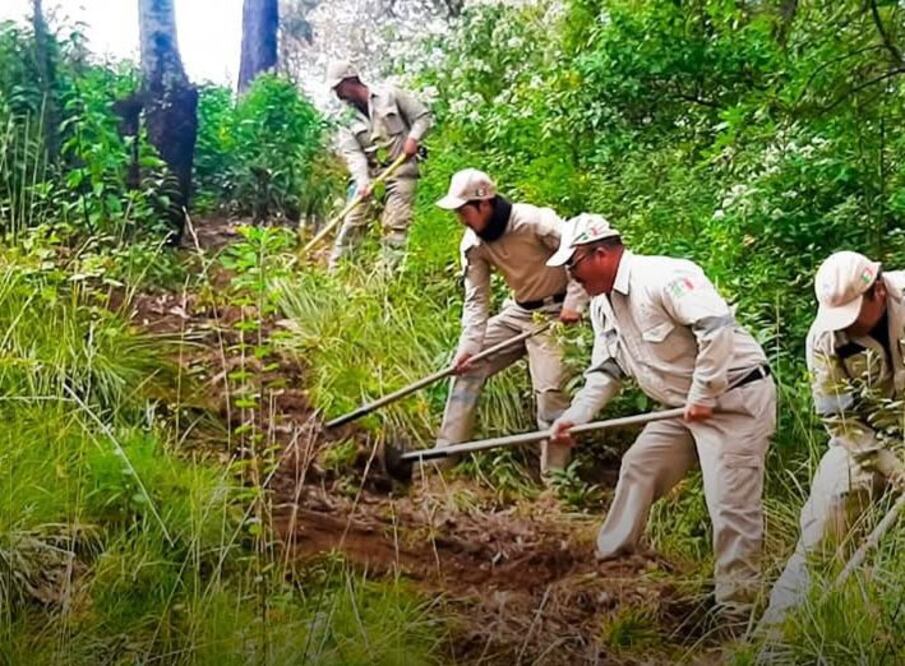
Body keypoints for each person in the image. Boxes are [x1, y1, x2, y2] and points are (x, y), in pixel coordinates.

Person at [546, 213, 776, 623]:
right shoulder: (602, 307)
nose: (571, 276)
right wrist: (576, 415)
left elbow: (715, 328)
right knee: (640, 466)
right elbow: (606, 371)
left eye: (573, 264)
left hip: (733, 400)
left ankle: (737, 611)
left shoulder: (663, 277)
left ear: (600, 253)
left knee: (729, 505)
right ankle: (612, 562)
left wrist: (704, 392)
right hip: (679, 407)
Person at [759, 251, 905, 630]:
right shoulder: (824, 338)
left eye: (853, 313)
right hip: (865, 441)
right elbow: (839, 420)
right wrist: (893, 468)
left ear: (878, 291)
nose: (847, 325)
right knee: (826, 523)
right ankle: (777, 637)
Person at [433, 168, 587, 477]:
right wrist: (468, 348)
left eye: (463, 211)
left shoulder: (533, 222)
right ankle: (444, 457)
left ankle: (556, 479)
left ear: (484, 203)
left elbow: (579, 250)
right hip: (519, 313)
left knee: (551, 392)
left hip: (556, 314)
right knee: (466, 368)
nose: (460, 219)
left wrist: (575, 301)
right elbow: (476, 300)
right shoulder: (474, 244)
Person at [325, 60, 433, 271]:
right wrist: (363, 182)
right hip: (372, 178)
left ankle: (386, 277)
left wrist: (413, 138)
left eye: (339, 87)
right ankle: (335, 276)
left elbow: (423, 117)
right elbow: (353, 154)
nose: (337, 94)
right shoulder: (345, 119)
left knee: (395, 225)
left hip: (402, 172)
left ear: (351, 81)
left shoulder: (391, 95)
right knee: (352, 223)